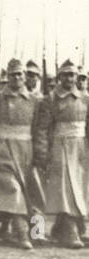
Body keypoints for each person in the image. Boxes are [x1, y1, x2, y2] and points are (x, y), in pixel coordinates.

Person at [0, 58, 41, 249]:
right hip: (2, 148)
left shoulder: (35, 101)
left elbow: (38, 129)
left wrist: (39, 153)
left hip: (26, 150)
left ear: (25, 76)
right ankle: (22, 233)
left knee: (29, 191)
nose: (16, 78)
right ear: (7, 77)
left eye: (20, 74)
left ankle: (32, 231)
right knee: (11, 188)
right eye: (13, 74)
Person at [32, 59, 89, 248]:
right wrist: (42, 152)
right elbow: (42, 129)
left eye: (72, 75)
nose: (69, 79)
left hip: (80, 148)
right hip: (60, 146)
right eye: (65, 75)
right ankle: (70, 230)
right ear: (59, 77)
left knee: (79, 188)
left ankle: (66, 227)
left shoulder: (85, 98)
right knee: (65, 188)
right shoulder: (51, 99)